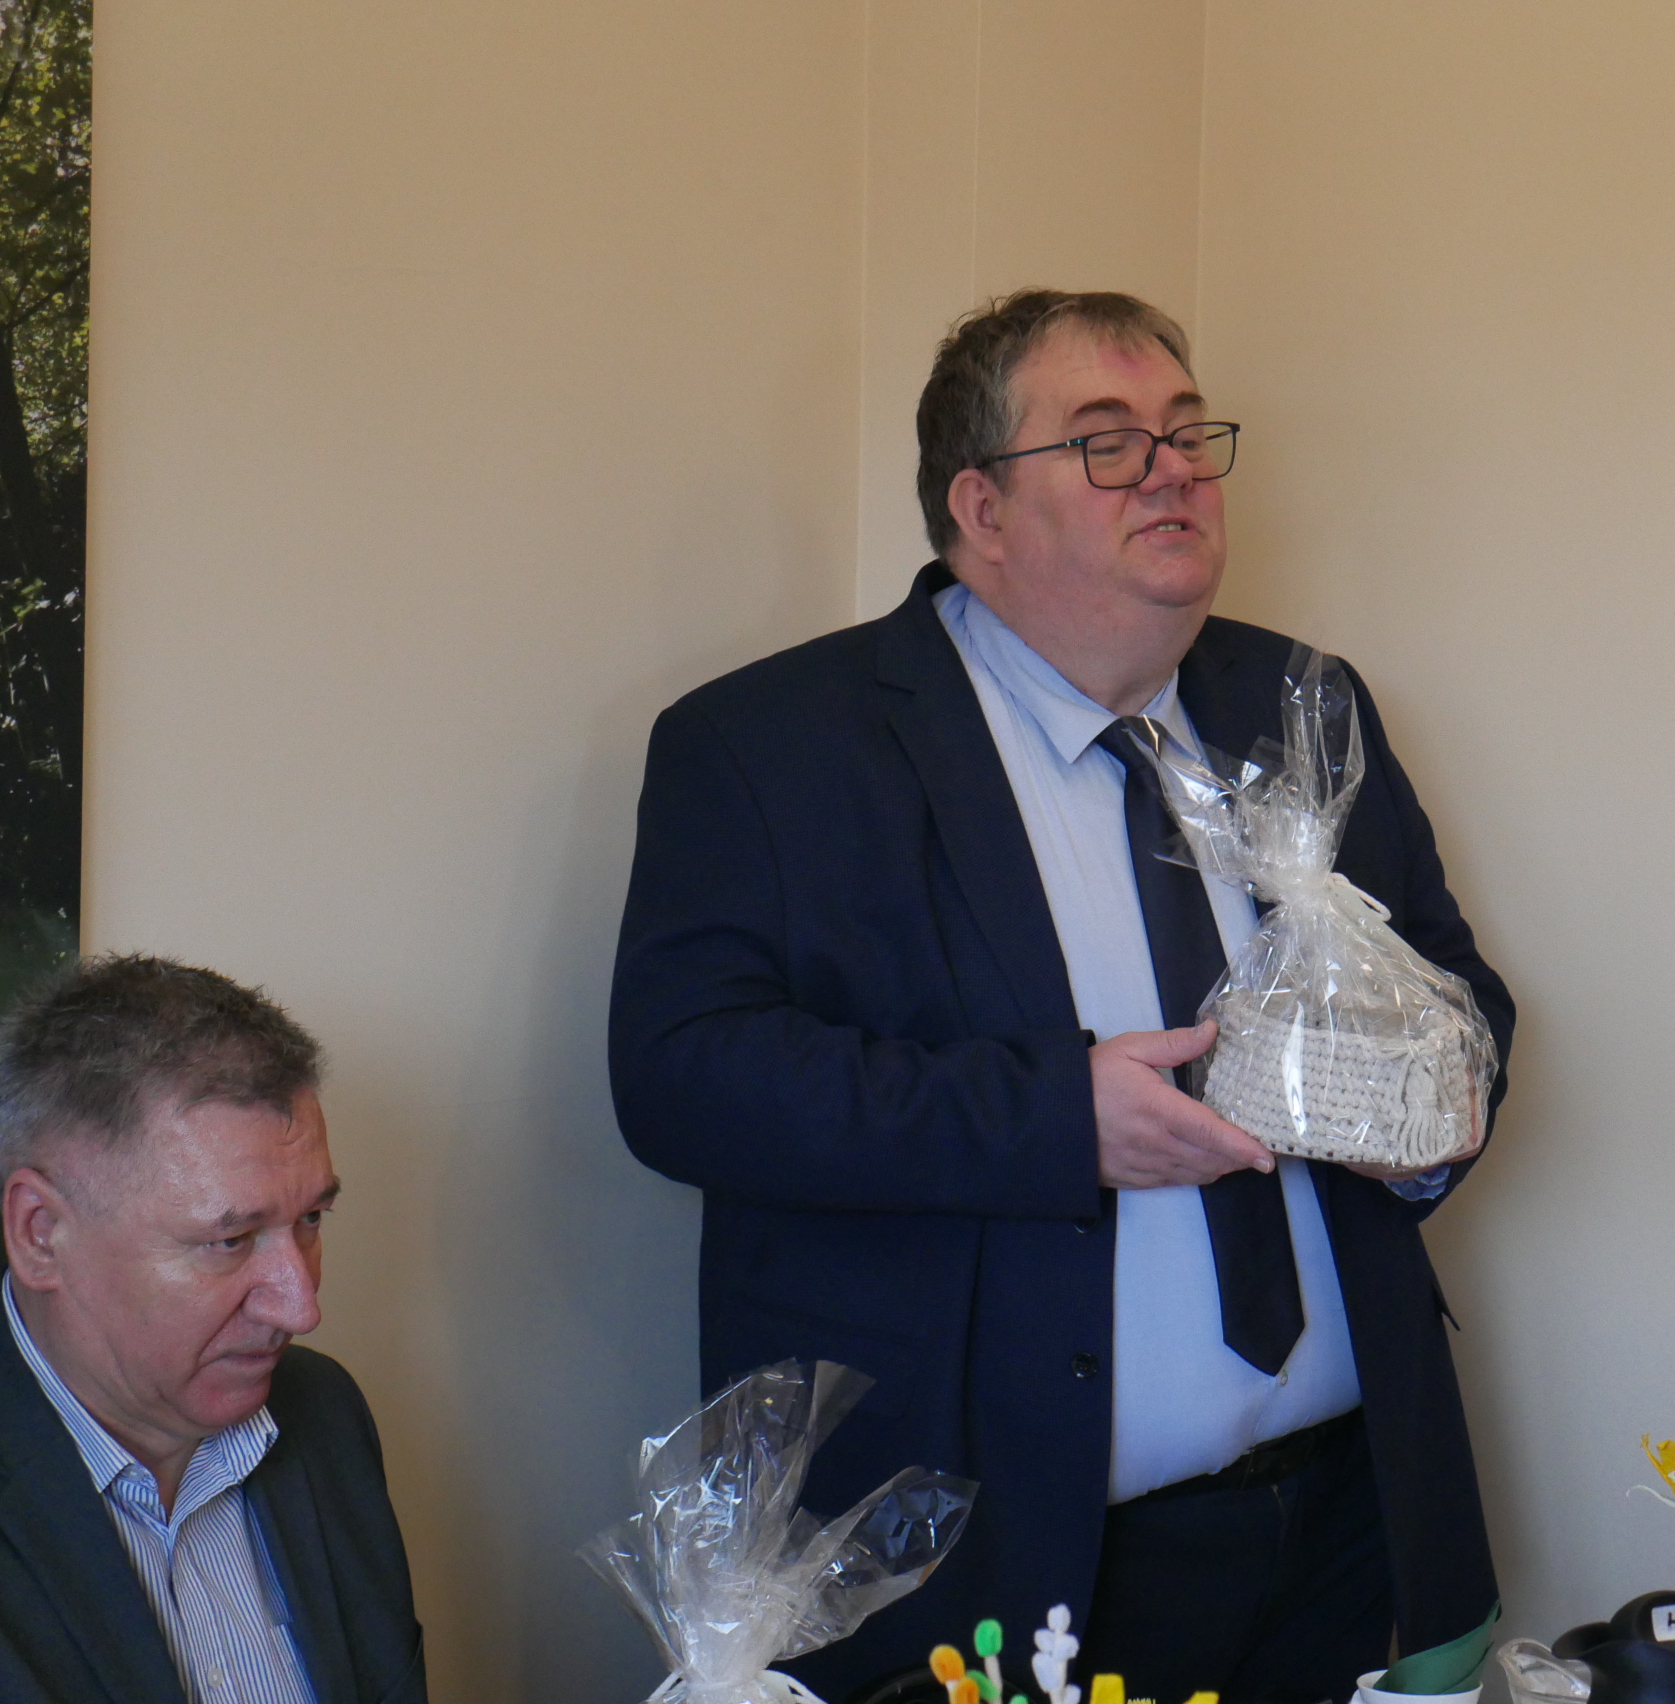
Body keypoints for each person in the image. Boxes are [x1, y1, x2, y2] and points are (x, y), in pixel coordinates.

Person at [611, 289, 1515, 1704]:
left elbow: (1460, 996)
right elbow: (684, 1078)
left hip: (1351, 1517)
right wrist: (1056, 1120)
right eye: (1106, 442)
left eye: (1186, 433)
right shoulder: (768, 746)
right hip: (1006, 1558)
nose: (1171, 470)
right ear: (980, 508)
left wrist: (1430, 1117)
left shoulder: (1304, 701)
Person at [0, 954, 426, 1704]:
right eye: (229, 1240)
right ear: (41, 1234)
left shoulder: (324, 1414)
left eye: (311, 1219)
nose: (300, 1308)